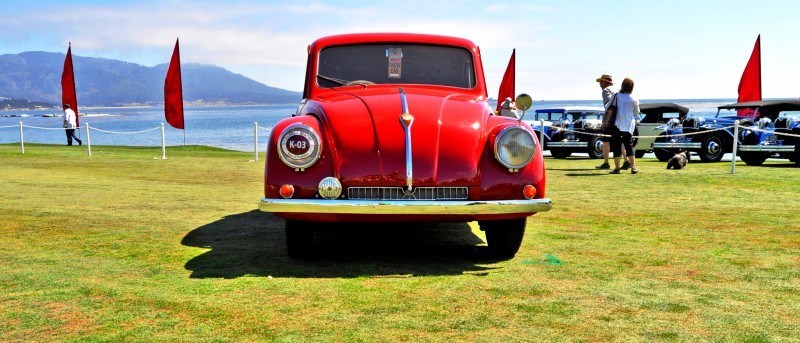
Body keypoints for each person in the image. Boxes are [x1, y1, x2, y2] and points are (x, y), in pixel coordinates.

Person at [594, 74, 628, 170]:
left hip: (611, 118)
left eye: (601, 82)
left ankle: (606, 162)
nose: (600, 84)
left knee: (605, 140)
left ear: (605, 82)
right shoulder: (618, 90)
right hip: (621, 119)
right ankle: (626, 161)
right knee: (621, 141)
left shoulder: (606, 90)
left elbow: (608, 105)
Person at [607, 78, 639, 174]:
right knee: (629, 145)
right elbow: (636, 112)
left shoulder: (616, 96)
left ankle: (617, 168)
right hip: (629, 125)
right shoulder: (634, 98)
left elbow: (607, 107)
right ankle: (633, 167)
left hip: (617, 123)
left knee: (616, 146)